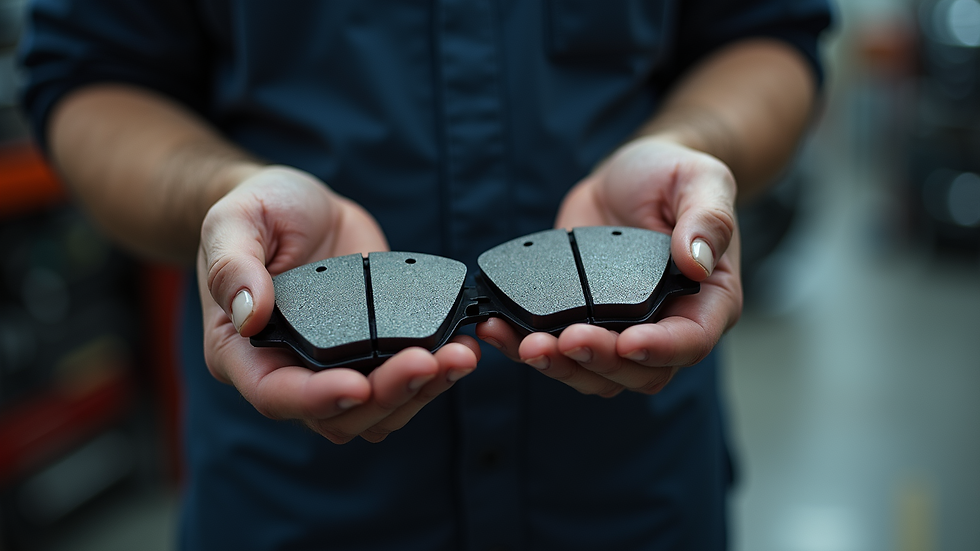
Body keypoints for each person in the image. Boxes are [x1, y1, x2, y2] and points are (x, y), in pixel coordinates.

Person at [20, 1, 831, 549]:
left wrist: (695, 147)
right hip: (293, 498)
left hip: (634, 491)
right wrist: (218, 198)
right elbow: (90, 78)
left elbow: (768, 33)